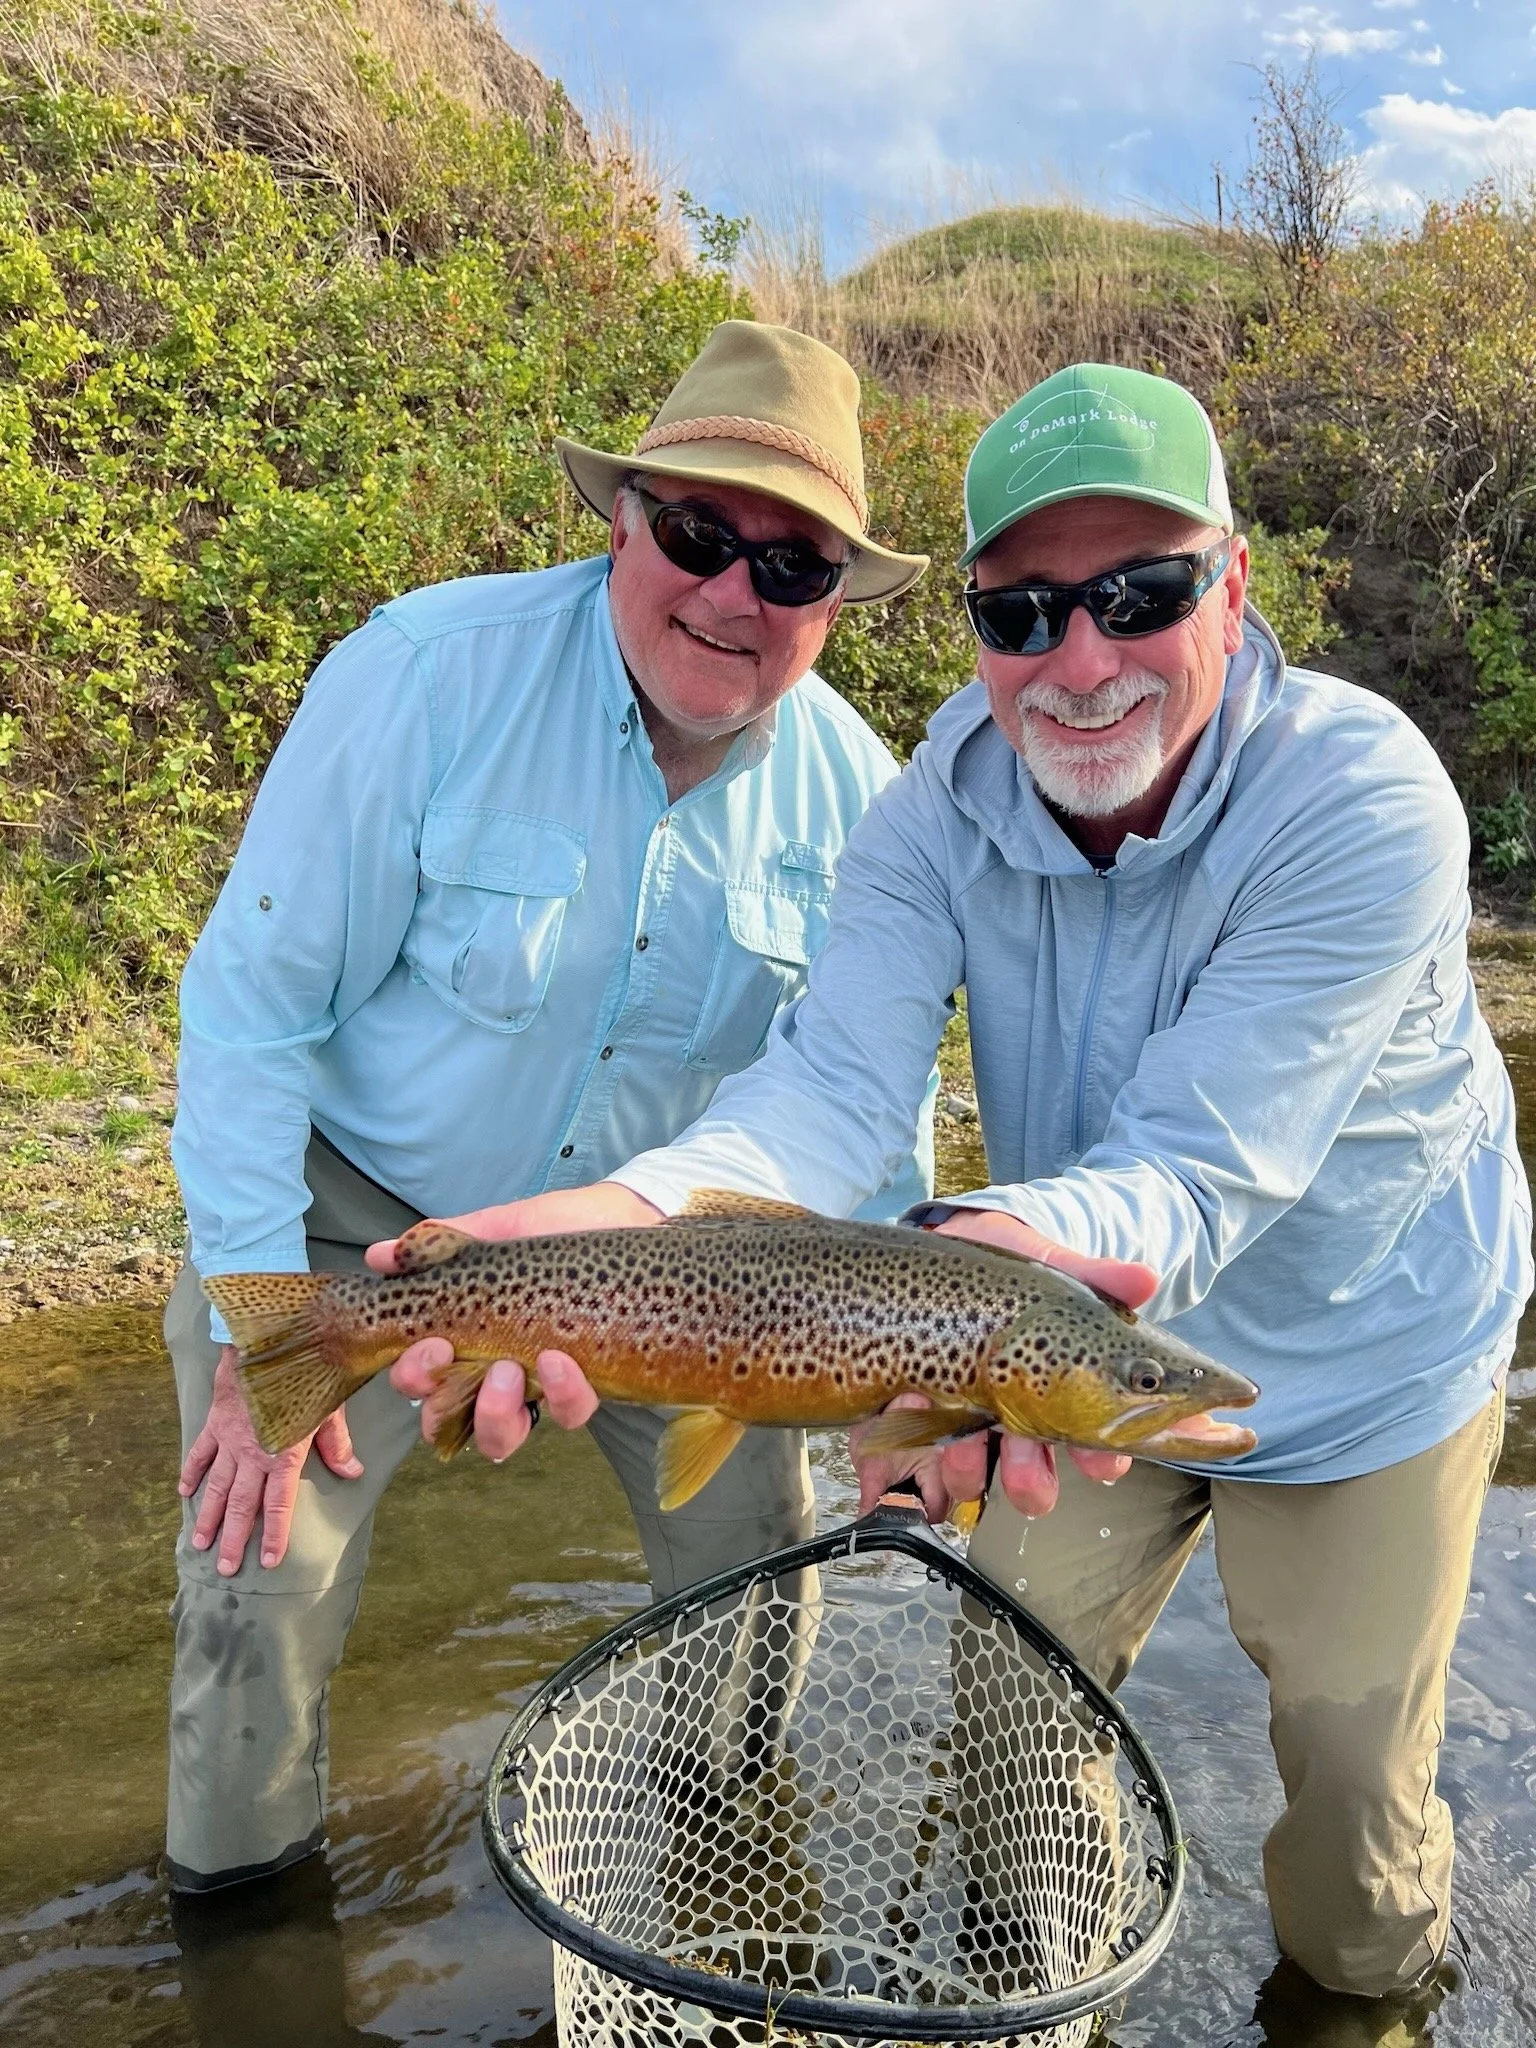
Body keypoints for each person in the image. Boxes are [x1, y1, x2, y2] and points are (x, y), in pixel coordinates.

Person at [376, 364, 1532, 2025]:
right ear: (975, 619)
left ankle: (1367, 2004)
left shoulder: (1365, 800)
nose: (1080, 661)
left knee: (1353, 1812)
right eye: (1024, 610)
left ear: (1236, 585)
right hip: (1043, 1352)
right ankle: (1026, 1987)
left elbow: (1204, 1163)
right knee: (1005, 1730)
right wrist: (624, 1223)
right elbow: (833, 1090)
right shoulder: (927, 815)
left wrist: (983, 1270)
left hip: (1360, 1359)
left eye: (1141, 595)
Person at [164, 318, 936, 1896]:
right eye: (699, 533)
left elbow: (869, 1120)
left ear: (839, 603)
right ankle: (243, 1932)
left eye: (790, 569)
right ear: (622, 519)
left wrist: (909, 1387)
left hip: (681, 1260)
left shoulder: (870, 805)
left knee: (760, 1578)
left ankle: (727, 1883)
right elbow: (250, 1011)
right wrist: (260, 1326)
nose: (732, 593)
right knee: (251, 1585)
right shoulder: (424, 678)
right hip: (350, 1225)